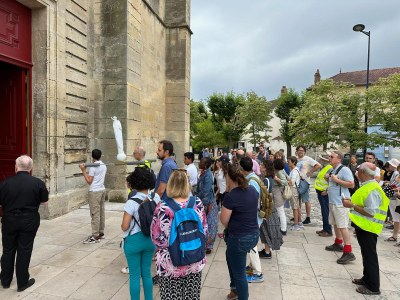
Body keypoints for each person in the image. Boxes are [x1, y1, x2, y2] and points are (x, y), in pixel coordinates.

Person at [151, 170, 207, 300]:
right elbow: (204, 229)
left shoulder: (162, 207)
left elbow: (156, 237)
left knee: (171, 296)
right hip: (194, 260)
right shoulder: (197, 203)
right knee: (191, 296)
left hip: (170, 264)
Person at [0, 155, 48, 292]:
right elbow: (45, 201)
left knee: (8, 249)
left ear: (16, 167)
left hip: (9, 220)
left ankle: (5, 280)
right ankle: (22, 282)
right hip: (29, 220)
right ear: (31, 168)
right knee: (24, 249)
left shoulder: (5, 183)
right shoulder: (38, 183)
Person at [342, 162, 390, 295]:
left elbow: (370, 212)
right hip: (364, 226)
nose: (356, 173)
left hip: (369, 227)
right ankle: (367, 278)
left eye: (358, 170)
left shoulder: (372, 188)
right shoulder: (368, 186)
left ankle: (373, 287)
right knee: (366, 254)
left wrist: (351, 205)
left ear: (363, 173)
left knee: (370, 256)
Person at [221, 163, 259, 300]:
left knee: (239, 273)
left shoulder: (231, 196)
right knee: (230, 257)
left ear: (229, 177)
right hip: (253, 234)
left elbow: (224, 221)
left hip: (239, 238)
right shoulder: (252, 190)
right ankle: (234, 290)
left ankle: (241, 295)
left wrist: (227, 192)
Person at [121, 167, 160, 300]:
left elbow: (124, 226)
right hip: (150, 240)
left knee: (135, 276)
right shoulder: (156, 198)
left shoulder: (131, 202)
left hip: (133, 242)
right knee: (147, 273)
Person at [324, 150, 356, 264]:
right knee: (336, 224)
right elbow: (329, 179)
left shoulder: (344, 169)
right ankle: (338, 243)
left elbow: (351, 184)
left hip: (340, 202)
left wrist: (337, 180)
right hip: (333, 201)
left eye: (331, 157)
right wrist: (327, 177)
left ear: (339, 159)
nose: (329, 158)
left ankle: (348, 251)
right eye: (329, 157)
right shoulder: (333, 169)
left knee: (342, 226)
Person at [239, 157, 264, 283]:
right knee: (251, 244)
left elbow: (252, 201)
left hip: (253, 218)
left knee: (252, 246)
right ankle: (250, 267)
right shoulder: (253, 178)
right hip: (254, 218)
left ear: (242, 169)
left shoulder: (251, 181)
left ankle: (258, 273)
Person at [79, 149, 107, 244]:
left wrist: (83, 171)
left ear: (92, 157)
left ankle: (95, 236)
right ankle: (101, 232)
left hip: (94, 191)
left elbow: (89, 181)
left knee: (95, 213)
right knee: (101, 212)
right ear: (100, 155)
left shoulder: (93, 167)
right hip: (102, 190)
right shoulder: (103, 165)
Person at [258, 160, 283, 259]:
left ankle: (267, 252)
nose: (260, 166)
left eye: (261, 165)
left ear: (265, 168)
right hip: (269, 208)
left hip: (267, 209)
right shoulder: (268, 179)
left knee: (267, 230)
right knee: (266, 230)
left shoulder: (267, 180)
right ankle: (266, 250)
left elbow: (265, 195)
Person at [296, 145, 321, 225]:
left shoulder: (308, 159)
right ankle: (297, 216)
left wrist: (310, 172)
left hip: (305, 181)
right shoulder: (296, 159)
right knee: (297, 199)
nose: (301, 152)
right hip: (297, 181)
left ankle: (308, 217)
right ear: (296, 151)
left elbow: (318, 165)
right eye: (299, 150)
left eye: (302, 150)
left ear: (304, 151)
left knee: (306, 200)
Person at [197, 157, 218, 254]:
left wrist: (203, 203)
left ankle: (208, 245)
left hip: (208, 202)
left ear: (205, 164)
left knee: (210, 224)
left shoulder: (208, 175)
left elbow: (205, 191)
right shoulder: (204, 173)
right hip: (203, 201)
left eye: (201, 161)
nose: (199, 163)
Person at [314, 155, 333, 237]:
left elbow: (332, 182)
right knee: (324, 211)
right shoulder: (325, 168)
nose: (320, 160)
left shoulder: (330, 168)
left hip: (324, 193)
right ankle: (325, 228)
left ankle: (328, 230)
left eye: (321, 159)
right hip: (321, 192)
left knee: (326, 212)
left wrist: (327, 191)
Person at [383, 158, 400, 242]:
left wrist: (393, 187)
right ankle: (394, 235)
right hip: (393, 197)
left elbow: (395, 186)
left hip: (396, 198)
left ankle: (395, 235)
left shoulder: (396, 173)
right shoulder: (396, 174)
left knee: (397, 218)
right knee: (396, 218)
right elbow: (393, 184)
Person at [272, 158, 289, 234]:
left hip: (277, 191)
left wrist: (276, 179)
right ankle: (281, 227)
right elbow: (288, 178)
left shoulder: (279, 171)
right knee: (279, 210)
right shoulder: (281, 170)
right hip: (278, 191)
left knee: (280, 210)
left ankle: (283, 229)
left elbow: (285, 182)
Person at [287, 156, 303, 231]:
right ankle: (299, 222)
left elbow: (292, 182)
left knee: (295, 207)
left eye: (289, 162)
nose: (287, 163)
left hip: (293, 190)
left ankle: (296, 224)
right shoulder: (294, 170)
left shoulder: (294, 171)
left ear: (293, 162)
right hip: (294, 189)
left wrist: (284, 182)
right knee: (297, 206)